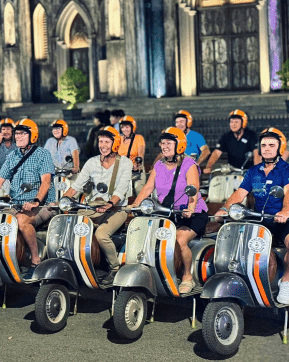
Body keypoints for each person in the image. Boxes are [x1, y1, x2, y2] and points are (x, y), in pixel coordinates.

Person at [216, 128, 289, 304]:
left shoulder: (288, 170)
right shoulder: (253, 171)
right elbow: (239, 194)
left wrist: (285, 211)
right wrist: (224, 209)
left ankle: (285, 280)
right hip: (259, 218)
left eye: (271, 145)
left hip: (284, 219)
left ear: (280, 148)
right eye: (263, 145)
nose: (267, 149)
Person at [133, 127, 209, 294]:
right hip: (167, 212)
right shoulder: (159, 165)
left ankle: (187, 277)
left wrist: (190, 208)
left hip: (192, 214)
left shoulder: (189, 164)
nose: (165, 146)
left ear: (180, 145)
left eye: (169, 143)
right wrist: (135, 205)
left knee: (180, 240)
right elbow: (147, 188)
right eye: (163, 143)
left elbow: (193, 189)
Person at [63, 126, 131, 285]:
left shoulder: (125, 163)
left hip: (117, 208)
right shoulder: (92, 162)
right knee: (69, 222)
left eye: (107, 141)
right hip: (92, 207)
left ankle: (114, 268)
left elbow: (122, 189)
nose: (103, 145)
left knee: (101, 234)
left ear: (115, 143)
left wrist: (109, 203)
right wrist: (64, 199)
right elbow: (78, 185)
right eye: (101, 141)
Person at [0, 119, 55, 279]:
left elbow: (46, 182)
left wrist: (36, 201)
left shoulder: (43, 154)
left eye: (22, 133)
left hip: (44, 204)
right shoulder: (12, 156)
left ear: (32, 135)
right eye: (17, 133)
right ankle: (1, 259)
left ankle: (35, 259)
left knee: (22, 221)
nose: (18, 136)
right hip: (17, 203)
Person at [203, 109, 260, 174]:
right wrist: (208, 166)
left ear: (243, 123)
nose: (233, 124)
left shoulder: (251, 135)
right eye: (231, 122)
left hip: (248, 171)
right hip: (232, 171)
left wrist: (257, 169)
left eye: (236, 122)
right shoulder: (227, 136)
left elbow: (256, 153)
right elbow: (216, 153)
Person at [117, 115, 147, 195]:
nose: (124, 129)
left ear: (132, 127)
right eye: (123, 127)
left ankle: (142, 205)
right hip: (122, 171)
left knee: (138, 189)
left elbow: (141, 153)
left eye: (127, 127)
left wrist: (138, 163)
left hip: (136, 170)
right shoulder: (118, 139)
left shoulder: (138, 138)